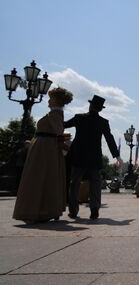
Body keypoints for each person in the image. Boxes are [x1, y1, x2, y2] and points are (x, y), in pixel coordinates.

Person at [13, 87, 73, 223]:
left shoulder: (55, 114)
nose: (48, 101)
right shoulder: (54, 114)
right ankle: (43, 209)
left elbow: (59, 132)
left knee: (39, 178)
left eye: (51, 99)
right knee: (44, 178)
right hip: (44, 149)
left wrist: (63, 146)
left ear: (56, 100)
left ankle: (38, 210)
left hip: (45, 150)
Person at [64, 95, 122, 220]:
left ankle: (73, 211)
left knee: (74, 183)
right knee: (95, 183)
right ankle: (94, 208)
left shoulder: (79, 118)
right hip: (94, 157)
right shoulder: (103, 122)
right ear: (100, 109)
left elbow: (64, 125)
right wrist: (116, 155)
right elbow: (109, 139)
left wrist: (56, 114)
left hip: (78, 156)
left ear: (90, 105)